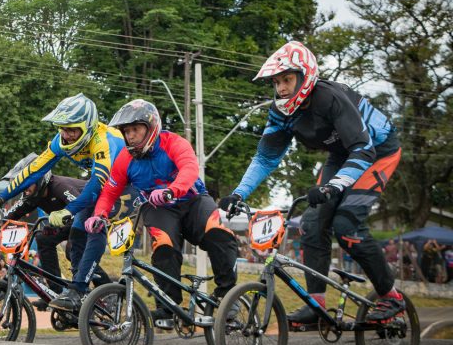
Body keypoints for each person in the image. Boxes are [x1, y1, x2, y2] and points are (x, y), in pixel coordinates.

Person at [219, 41, 405, 325]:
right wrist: (238, 193)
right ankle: (315, 306)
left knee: (347, 226)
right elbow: (266, 158)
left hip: (376, 151)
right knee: (312, 224)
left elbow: (363, 148)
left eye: (287, 80)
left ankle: (391, 296)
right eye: (277, 82)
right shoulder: (281, 111)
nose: (281, 88)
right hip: (341, 154)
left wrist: (335, 186)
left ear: (305, 76)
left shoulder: (329, 98)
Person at [85, 99, 238, 329]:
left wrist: (171, 190)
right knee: (163, 246)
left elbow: (189, 168)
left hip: (192, 201)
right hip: (159, 209)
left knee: (218, 232)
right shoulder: (125, 159)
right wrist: (99, 215)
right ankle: (168, 306)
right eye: (126, 131)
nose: (131, 136)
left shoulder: (174, 142)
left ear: (151, 126)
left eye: (135, 129)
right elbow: (109, 191)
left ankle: (228, 296)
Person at [0, 93, 126, 313]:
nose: (66, 135)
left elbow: (97, 185)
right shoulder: (61, 141)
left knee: (93, 223)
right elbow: (33, 170)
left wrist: (69, 210)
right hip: (104, 186)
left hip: (127, 185)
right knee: (77, 232)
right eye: (62, 129)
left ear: (87, 126)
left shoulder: (102, 141)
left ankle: (95, 291)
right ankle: (76, 291)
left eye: (72, 130)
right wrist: (1, 197)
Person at [0, 152, 89, 304]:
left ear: (40, 179)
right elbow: (9, 215)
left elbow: (82, 208)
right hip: (67, 223)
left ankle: (99, 289)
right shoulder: (31, 196)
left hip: (88, 216)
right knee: (43, 239)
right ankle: (56, 293)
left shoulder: (59, 186)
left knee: (73, 249)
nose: (24, 188)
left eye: (27, 183)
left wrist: (59, 226)